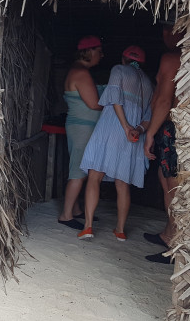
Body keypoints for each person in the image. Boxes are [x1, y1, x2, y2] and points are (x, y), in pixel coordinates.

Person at [78, 45, 154, 241]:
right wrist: (137, 130)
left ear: (123, 58)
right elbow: (148, 117)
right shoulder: (148, 84)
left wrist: (125, 126)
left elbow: (115, 99)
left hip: (112, 127)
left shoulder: (118, 70)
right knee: (122, 182)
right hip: (134, 135)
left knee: (95, 174)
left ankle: (88, 227)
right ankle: (120, 230)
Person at [142, 24, 184, 263]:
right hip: (179, 127)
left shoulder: (171, 58)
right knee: (164, 176)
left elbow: (164, 101)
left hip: (172, 127)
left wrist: (150, 133)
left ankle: (176, 244)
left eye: (169, 30)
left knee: (172, 185)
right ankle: (168, 233)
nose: (165, 35)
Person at [58, 36, 104, 230]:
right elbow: (94, 104)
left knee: (80, 168)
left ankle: (75, 209)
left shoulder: (77, 71)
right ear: (89, 51)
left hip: (80, 126)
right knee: (78, 169)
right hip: (82, 127)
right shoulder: (81, 73)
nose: (102, 55)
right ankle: (66, 214)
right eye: (99, 51)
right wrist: (114, 105)